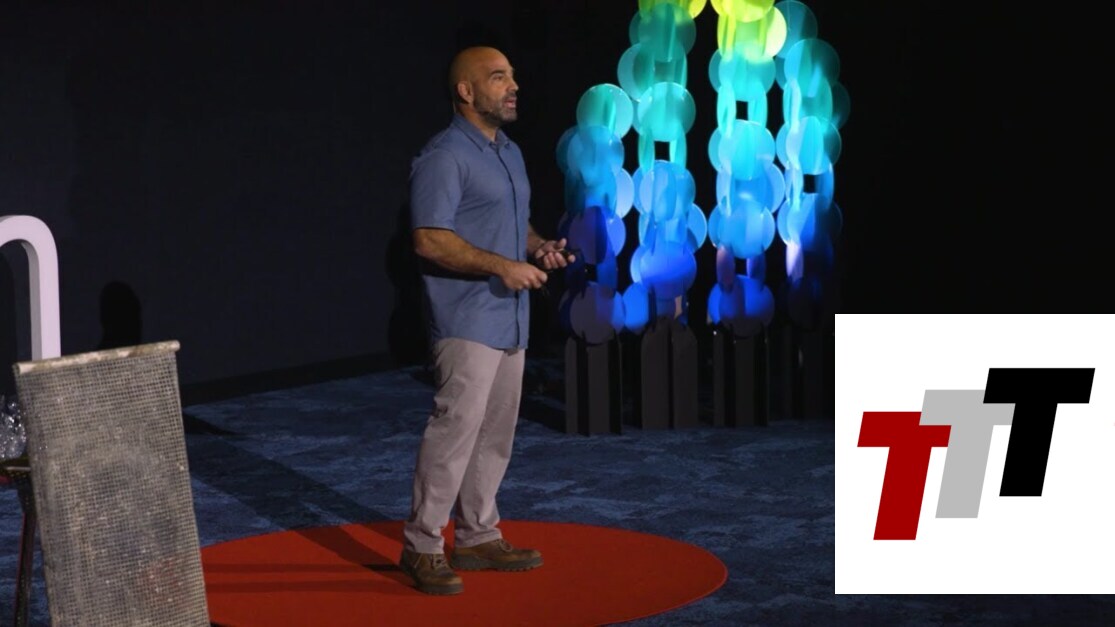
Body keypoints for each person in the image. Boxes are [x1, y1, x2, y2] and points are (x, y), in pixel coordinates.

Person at [399, 45, 573, 595]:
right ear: (466, 91)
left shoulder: (509, 152)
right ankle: (422, 545)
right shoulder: (443, 156)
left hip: (510, 319)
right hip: (466, 318)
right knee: (454, 431)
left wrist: (538, 248)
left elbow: (514, 223)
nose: (513, 86)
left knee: (495, 435)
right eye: (499, 78)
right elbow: (430, 239)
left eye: (512, 76)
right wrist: (503, 266)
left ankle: (476, 536)